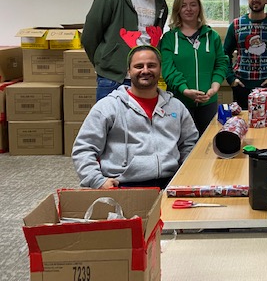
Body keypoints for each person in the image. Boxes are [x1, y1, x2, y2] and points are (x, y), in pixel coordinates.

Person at [72, 45, 198, 189]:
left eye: (151, 65)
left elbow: (189, 144)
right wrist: (97, 180)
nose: (145, 70)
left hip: (169, 183)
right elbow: (84, 148)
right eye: (139, 66)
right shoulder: (108, 106)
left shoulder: (176, 107)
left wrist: (185, 174)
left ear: (160, 69)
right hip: (124, 185)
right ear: (129, 71)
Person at [82, 0, 169, 101]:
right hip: (113, 79)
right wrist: (106, 64)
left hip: (146, 79)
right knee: (110, 124)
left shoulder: (160, 2)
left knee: (144, 124)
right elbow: (89, 37)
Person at [160, 0, 228, 136]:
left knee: (207, 146)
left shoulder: (212, 36)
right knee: (182, 147)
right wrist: (185, 90)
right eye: (183, 5)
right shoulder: (169, 39)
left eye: (193, 5)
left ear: (199, 8)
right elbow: (168, 70)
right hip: (178, 103)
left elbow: (221, 63)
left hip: (209, 103)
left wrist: (214, 87)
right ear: (177, 9)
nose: (188, 9)